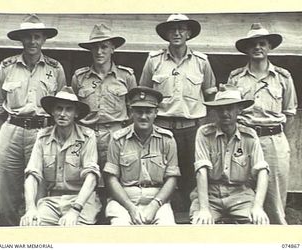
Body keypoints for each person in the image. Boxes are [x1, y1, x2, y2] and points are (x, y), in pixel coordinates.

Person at [0, 14, 66, 226]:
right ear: (21, 40)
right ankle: (5, 236)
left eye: (37, 36)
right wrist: (1, 135)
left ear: (43, 40)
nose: (32, 41)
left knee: (40, 186)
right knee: (7, 190)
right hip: (12, 131)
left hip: (42, 133)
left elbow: (62, 107)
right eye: (28, 37)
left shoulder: (55, 68)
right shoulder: (7, 66)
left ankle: (37, 234)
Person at [139, 14, 217, 209]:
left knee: (191, 176)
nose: (176, 33)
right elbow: (144, 96)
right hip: (161, 129)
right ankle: (162, 215)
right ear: (166, 34)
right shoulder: (154, 61)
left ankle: (190, 219)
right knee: (160, 174)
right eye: (172, 29)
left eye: (181, 29)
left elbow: (211, 98)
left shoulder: (201, 62)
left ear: (188, 33)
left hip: (191, 130)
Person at [226, 23, 297, 224]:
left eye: (262, 43)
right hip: (244, 139)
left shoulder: (282, 77)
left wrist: (282, 143)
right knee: (241, 191)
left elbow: (289, 113)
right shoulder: (236, 77)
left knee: (274, 198)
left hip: (273, 140)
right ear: (247, 49)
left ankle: (275, 235)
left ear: (269, 47)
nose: (258, 47)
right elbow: (230, 109)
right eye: (253, 44)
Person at [20, 87, 101, 226]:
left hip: (81, 201)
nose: (63, 114)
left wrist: (75, 210)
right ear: (52, 111)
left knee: (75, 232)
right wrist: (31, 209)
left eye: (69, 109)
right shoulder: (43, 137)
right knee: (32, 226)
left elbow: (92, 177)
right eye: (59, 108)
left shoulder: (88, 136)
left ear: (76, 113)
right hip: (51, 201)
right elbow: (32, 175)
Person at [189, 88, 270, 224]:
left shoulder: (249, 136)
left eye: (230, 108)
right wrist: (204, 209)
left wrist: (257, 207)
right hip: (210, 194)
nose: (225, 113)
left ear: (239, 109)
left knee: (258, 225)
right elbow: (201, 170)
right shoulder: (204, 134)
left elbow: (262, 170)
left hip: (240, 195)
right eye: (220, 109)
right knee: (200, 225)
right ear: (215, 111)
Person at [104, 87, 181, 225]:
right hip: (124, 201)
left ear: (156, 113)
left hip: (157, 201)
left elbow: (172, 178)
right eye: (139, 111)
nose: (143, 116)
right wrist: (130, 208)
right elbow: (111, 179)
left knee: (168, 231)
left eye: (148, 112)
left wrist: (154, 205)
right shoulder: (118, 139)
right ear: (131, 112)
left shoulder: (167, 140)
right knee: (119, 231)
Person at [71, 24, 137, 184]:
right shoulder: (80, 78)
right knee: (86, 180)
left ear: (113, 49)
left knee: (115, 181)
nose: (99, 52)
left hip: (116, 135)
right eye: (95, 47)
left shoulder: (126, 77)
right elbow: (72, 110)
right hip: (86, 135)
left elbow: (134, 110)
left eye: (104, 47)